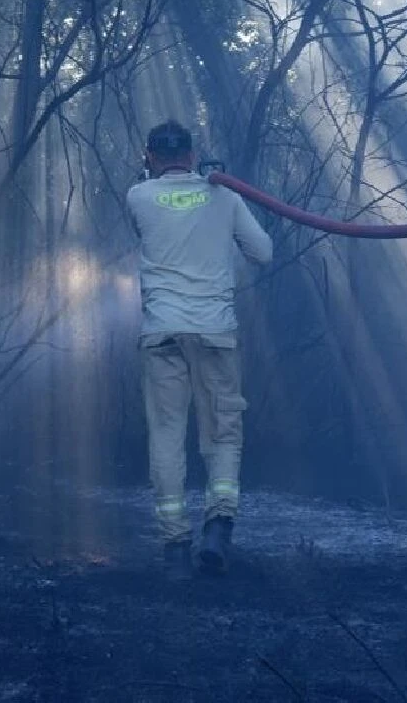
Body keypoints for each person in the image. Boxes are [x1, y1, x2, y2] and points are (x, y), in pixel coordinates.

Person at [125, 120, 273, 581]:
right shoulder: (225, 197)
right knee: (222, 434)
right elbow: (262, 252)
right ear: (191, 155)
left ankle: (174, 548)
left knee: (167, 436)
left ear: (149, 156)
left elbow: (154, 212)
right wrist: (221, 196)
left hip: (162, 334)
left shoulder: (138, 196)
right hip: (214, 334)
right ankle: (218, 528)